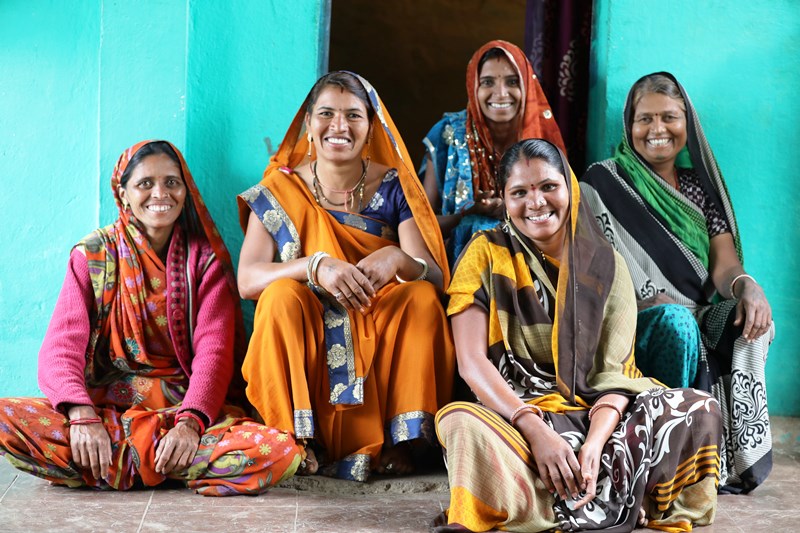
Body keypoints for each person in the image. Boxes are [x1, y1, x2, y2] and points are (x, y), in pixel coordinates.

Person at [435, 139, 721, 532]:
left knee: (701, 409)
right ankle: (620, 495)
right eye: (520, 192)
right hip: (520, 415)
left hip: (601, 417)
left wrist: (593, 446)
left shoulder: (607, 264)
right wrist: (534, 429)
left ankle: (567, 495)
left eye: (548, 186)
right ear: (504, 199)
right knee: (458, 420)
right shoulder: (484, 253)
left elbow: (615, 376)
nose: (535, 202)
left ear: (569, 187)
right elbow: (471, 363)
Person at [0, 141, 302, 495]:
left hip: (182, 413)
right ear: (123, 193)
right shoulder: (93, 256)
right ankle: (159, 466)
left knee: (280, 452)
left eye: (172, 183)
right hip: (105, 412)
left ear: (185, 192)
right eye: (145, 183)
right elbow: (60, 349)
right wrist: (82, 417)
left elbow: (213, 357)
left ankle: (114, 465)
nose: (160, 193)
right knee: (6, 419)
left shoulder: (205, 264)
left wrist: (189, 426)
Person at [237, 72, 455, 482]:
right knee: (280, 296)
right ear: (307, 125)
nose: (339, 126)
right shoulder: (279, 189)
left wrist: (396, 258)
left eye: (353, 115)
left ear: (371, 126)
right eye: (326, 114)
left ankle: (402, 442)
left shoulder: (393, 187)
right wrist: (314, 266)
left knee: (421, 299)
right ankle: (294, 439)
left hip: (375, 313)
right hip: (311, 322)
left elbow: (437, 277)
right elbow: (248, 279)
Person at [579, 72, 773, 493]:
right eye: (644, 119)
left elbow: (724, 266)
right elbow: (592, 270)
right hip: (632, 321)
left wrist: (748, 287)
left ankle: (724, 457)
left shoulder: (702, 189)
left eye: (670, 117)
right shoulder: (602, 182)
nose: (657, 130)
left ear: (689, 123)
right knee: (675, 323)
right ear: (629, 126)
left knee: (752, 321)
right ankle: (673, 457)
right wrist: (640, 302)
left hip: (697, 310)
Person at [421, 40, 566, 265]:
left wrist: (514, 209)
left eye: (512, 82)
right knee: (478, 226)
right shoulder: (448, 134)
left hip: (533, 263)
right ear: (473, 86)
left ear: (527, 86)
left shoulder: (542, 140)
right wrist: (466, 215)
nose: (500, 93)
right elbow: (420, 223)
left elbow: (564, 214)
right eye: (488, 82)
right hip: (460, 263)